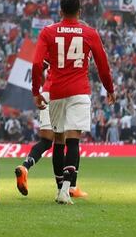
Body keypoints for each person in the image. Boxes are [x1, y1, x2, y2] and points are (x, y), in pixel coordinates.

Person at [31, 0, 115, 205]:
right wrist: (109, 89)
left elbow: (37, 64)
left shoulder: (48, 31)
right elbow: (103, 65)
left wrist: (35, 91)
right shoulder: (89, 33)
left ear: (60, 11)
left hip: (56, 92)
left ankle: (59, 187)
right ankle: (66, 190)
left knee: (58, 140)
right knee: (73, 139)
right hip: (79, 91)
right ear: (80, 12)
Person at [14, 54, 88, 199]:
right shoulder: (79, 45)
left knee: (47, 141)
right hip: (69, 93)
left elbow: (39, 67)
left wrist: (43, 87)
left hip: (48, 93)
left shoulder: (53, 45)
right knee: (72, 139)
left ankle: (25, 166)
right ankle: (70, 187)